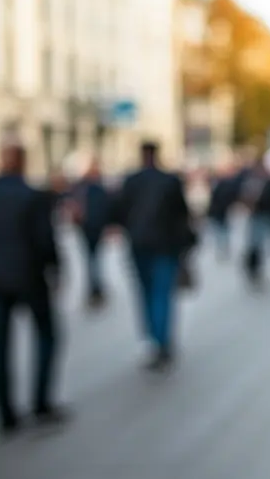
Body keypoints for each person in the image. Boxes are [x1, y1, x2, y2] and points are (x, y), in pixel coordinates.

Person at [0, 144, 69, 436]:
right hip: (28, 276)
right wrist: (56, 268)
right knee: (46, 335)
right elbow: (45, 238)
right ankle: (40, 402)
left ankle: (5, 413)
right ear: (23, 162)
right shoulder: (33, 196)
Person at [115, 141, 193, 371]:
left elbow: (120, 212)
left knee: (147, 293)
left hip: (140, 244)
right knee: (162, 293)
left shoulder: (132, 181)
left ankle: (154, 339)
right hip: (165, 245)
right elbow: (182, 214)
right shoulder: (170, 181)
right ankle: (161, 341)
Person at [70, 158, 112, 310]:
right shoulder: (92, 187)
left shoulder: (85, 187)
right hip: (91, 228)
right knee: (93, 259)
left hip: (90, 228)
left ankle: (95, 288)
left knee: (92, 259)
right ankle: (95, 289)